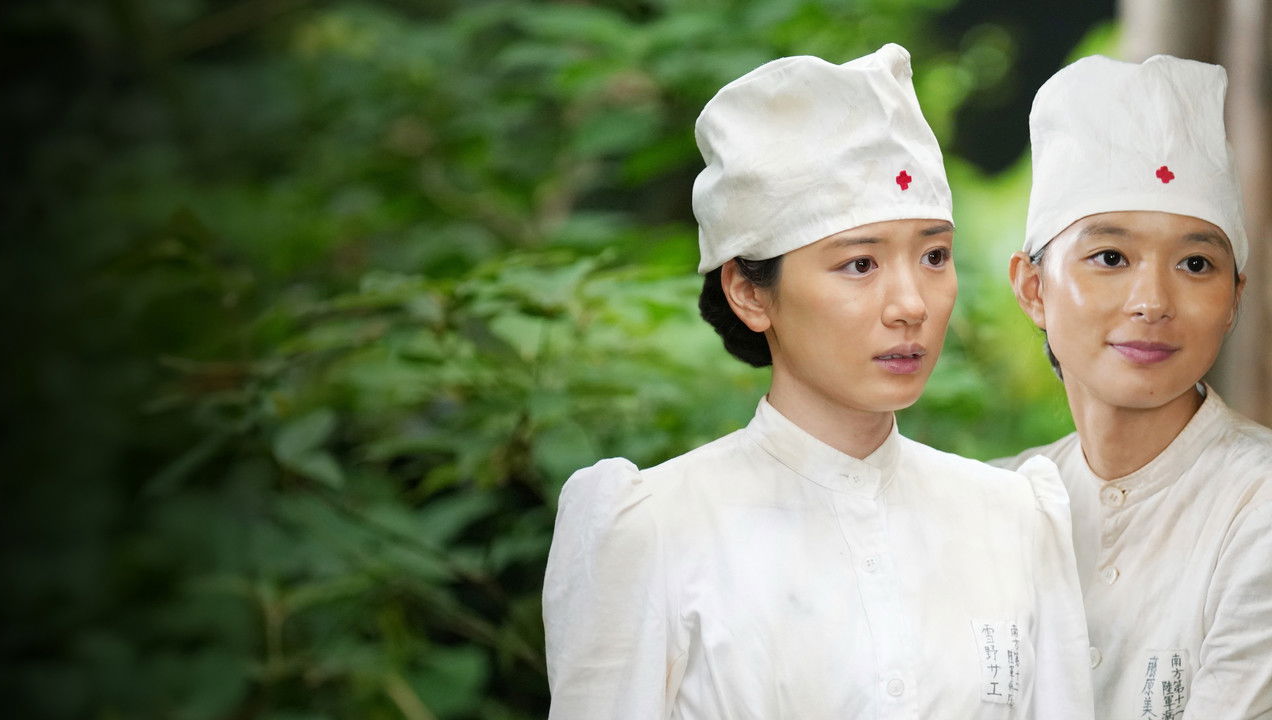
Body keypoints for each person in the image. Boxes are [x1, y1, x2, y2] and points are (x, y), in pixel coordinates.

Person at [542, 45, 1094, 719]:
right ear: (749, 291)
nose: (911, 304)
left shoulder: (1014, 517)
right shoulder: (657, 528)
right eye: (860, 264)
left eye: (934, 256)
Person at [997, 53, 1272, 719]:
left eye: (1196, 263)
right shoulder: (994, 505)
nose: (1152, 301)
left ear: (1234, 298)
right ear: (1033, 289)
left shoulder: (1258, 505)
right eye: (1111, 257)